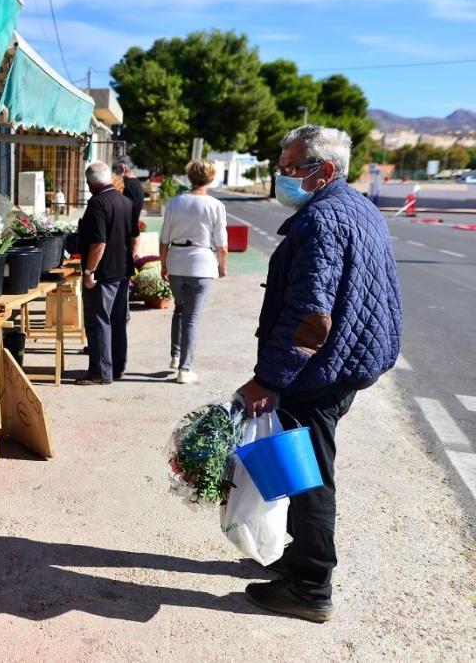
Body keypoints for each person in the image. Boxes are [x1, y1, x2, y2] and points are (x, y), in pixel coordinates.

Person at [237, 125, 402, 622]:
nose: (281, 177)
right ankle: (298, 555)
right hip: (348, 363)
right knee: (304, 466)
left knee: (308, 476)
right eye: (280, 168)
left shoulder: (322, 221)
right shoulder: (358, 207)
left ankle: (310, 587)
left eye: (290, 169)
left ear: (324, 172)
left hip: (321, 371)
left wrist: (269, 379)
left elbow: (311, 317)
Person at [159, 160, 228, 385]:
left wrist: (163, 264)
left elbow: (164, 238)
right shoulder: (215, 205)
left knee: (179, 310)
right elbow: (221, 243)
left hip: (176, 262)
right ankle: (184, 369)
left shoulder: (175, 202)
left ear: (189, 178)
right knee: (193, 318)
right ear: (210, 179)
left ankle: (175, 355)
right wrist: (222, 266)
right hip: (202, 263)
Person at [75, 161, 134, 385]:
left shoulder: (97, 204)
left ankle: (100, 373)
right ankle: (116, 368)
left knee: (98, 321)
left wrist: (89, 271)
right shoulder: (125, 202)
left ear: (90, 183)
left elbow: (98, 243)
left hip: (103, 274)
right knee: (117, 321)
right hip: (122, 271)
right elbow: (133, 238)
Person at [116, 156, 146, 257]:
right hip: (132, 234)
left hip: (125, 237)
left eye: (118, 169)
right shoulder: (137, 184)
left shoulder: (127, 186)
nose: (117, 173)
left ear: (123, 169)